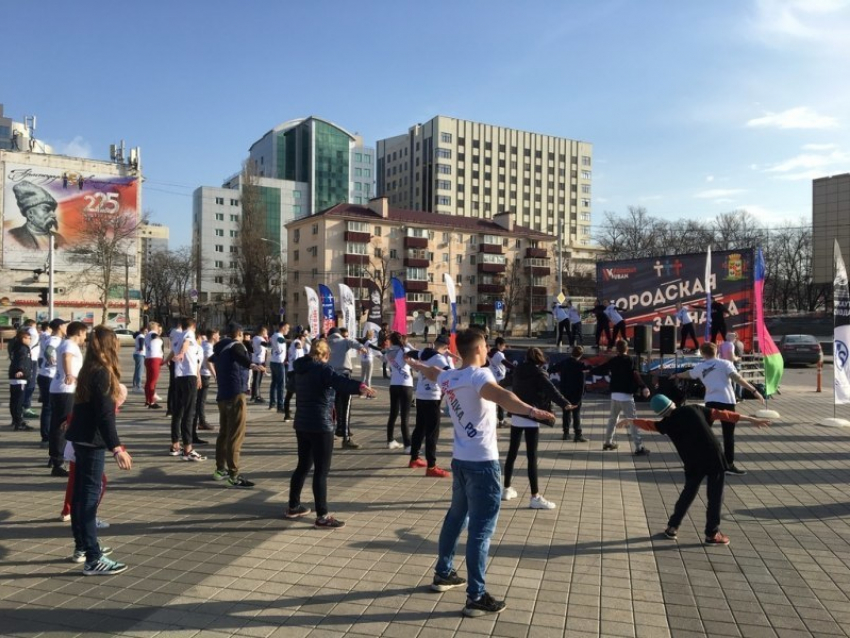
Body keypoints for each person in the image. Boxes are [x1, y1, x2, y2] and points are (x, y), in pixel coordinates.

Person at [411, 328, 554, 618]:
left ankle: (444, 572)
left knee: (456, 517)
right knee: (480, 531)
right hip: (483, 465)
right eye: (486, 345)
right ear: (480, 348)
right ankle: (476, 596)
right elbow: (502, 396)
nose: (488, 348)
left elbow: (431, 373)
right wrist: (533, 411)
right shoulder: (479, 376)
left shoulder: (450, 375)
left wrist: (416, 365)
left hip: (460, 461)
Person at [618, 394, 769, 545]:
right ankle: (712, 534)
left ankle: (672, 527)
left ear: (660, 412)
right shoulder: (695, 409)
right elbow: (724, 414)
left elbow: (649, 424)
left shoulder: (666, 423)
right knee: (715, 496)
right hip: (713, 457)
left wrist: (631, 421)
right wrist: (751, 419)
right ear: (672, 403)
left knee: (688, 492)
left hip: (692, 462)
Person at [284, 339, 375, 527]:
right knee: (321, 472)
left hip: (302, 424)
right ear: (326, 355)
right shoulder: (323, 370)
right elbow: (340, 382)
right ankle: (322, 516)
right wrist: (361, 387)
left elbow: (291, 387)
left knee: (302, 466)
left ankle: (293, 506)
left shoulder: (299, 369)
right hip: (321, 425)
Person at [64, 326, 133, 575]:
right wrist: (117, 448)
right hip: (91, 442)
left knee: (80, 497)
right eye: (115, 342)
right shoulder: (102, 372)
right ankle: (93, 558)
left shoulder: (88, 368)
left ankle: (84, 546)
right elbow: (105, 417)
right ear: (108, 345)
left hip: (80, 439)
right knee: (88, 500)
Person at [671, 342, 764, 475]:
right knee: (728, 435)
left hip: (711, 402)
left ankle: (696, 461)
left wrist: (675, 375)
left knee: (704, 432)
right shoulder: (725, 364)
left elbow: (688, 374)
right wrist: (754, 391)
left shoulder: (700, 367)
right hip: (727, 401)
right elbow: (737, 378)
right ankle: (729, 465)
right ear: (716, 352)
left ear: (702, 353)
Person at [503, 348, 573, 509]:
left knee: (512, 453)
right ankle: (535, 496)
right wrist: (565, 404)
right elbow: (552, 390)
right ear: (540, 359)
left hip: (516, 414)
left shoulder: (518, 370)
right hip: (532, 416)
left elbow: (504, 382)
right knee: (531, 458)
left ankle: (506, 489)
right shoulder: (539, 374)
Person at [210, 323, 266, 488]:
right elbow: (242, 358)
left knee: (224, 433)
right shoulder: (236, 346)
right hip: (235, 394)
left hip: (222, 394)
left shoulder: (220, 348)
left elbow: (209, 360)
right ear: (240, 334)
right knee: (236, 434)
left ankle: (220, 469)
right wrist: (253, 365)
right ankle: (234, 474)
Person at [592, 339, 651, 454]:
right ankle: (639, 447)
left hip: (614, 395)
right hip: (626, 396)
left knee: (612, 419)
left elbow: (601, 368)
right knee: (633, 421)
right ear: (627, 349)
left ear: (616, 349)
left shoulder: (613, 360)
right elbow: (635, 375)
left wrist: (589, 370)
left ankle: (608, 442)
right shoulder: (630, 360)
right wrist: (644, 387)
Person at [409, 334, 456, 477]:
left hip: (421, 394)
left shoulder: (424, 352)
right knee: (432, 432)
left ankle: (414, 458)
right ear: (447, 347)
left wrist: (413, 363)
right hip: (432, 397)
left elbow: (410, 353)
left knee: (420, 428)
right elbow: (451, 374)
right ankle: (431, 466)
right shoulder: (440, 359)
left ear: (434, 343)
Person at [48, 321, 87, 477]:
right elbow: (66, 357)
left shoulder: (66, 343)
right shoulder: (69, 345)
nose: (85, 337)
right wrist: (69, 374)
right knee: (62, 424)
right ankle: (58, 462)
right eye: (85, 334)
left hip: (60, 388)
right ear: (79, 333)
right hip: (65, 389)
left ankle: (55, 458)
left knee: (59, 423)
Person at [169, 317, 204, 460]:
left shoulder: (177, 336)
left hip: (179, 376)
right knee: (189, 412)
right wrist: (182, 353)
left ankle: (175, 444)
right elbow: (186, 343)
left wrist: (166, 360)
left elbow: (173, 352)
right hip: (188, 376)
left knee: (178, 411)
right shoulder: (188, 335)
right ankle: (188, 449)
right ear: (193, 326)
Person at [328, 327, 366, 450]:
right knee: (345, 407)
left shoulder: (325, 343)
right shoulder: (344, 341)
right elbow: (354, 343)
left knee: (331, 407)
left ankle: (329, 435)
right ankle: (346, 438)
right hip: (344, 376)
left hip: (329, 377)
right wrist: (361, 348)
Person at [8, 181, 68, 250]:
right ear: (30, 214)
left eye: (53, 210)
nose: (53, 215)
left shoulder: (59, 238)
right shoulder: (13, 237)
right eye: (46, 209)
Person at [550, 345, 590, 442]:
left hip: (565, 392)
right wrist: (580, 396)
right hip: (576, 393)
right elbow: (581, 383)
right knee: (576, 414)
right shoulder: (580, 365)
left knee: (566, 413)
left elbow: (551, 369)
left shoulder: (565, 362)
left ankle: (566, 433)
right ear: (581, 355)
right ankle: (578, 434)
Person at [37, 319, 66, 446]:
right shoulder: (54, 340)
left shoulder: (51, 338)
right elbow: (48, 351)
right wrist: (52, 360)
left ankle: (46, 435)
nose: (66, 327)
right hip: (49, 375)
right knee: (49, 408)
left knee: (48, 407)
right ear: (59, 327)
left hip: (45, 374)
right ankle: (46, 436)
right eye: (64, 325)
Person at [386, 332, 414, 451]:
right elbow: (416, 354)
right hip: (406, 385)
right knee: (405, 416)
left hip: (394, 385)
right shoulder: (405, 350)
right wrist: (408, 344)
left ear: (391, 341)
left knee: (393, 413)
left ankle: (390, 440)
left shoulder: (389, 351)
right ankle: (408, 445)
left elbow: (382, 358)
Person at [193, 328, 218, 434]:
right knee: (201, 400)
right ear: (213, 336)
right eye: (217, 335)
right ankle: (201, 421)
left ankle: (200, 421)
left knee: (199, 400)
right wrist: (215, 374)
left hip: (201, 374)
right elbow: (208, 361)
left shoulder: (204, 344)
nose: (219, 337)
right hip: (204, 375)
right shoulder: (208, 346)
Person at [8, 328, 33, 432]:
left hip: (14, 376)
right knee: (18, 400)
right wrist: (20, 370)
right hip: (20, 377)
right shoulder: (23, 348)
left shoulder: (15, 346)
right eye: (29, 338)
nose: (30, 340)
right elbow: (21, 359)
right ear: (23, 338)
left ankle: (15, 420)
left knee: (14, 400)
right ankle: (19, 422)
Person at [487, 337, 515, 428]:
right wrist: (517, 368)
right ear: (498, 345)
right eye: (503, 345)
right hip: (501, 380)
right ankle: (502, 420)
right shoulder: (499, 354)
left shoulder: (489, 353)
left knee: (496, 400)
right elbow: (506, 363)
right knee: (501, 400)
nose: (504, 347)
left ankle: (499, 420)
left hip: (492, 379)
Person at [283, 327, 309, 422]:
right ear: (300, 337)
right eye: (304, 338)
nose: (305, 340)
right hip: (295, 372)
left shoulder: (295, 343)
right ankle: (291, 415)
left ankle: (288, 414)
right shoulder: (297, 342)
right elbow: (297, 345)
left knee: (291, 394)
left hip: (293, 370)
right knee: (296, 394)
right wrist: (299, 344)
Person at [268, 322, 289, 413]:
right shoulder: (279, 336)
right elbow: (280, 347)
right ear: (283, 327)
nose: (288, 330)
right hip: (279, 362)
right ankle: (280, 406)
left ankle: (272, 402)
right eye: (287, 328)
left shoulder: (274, 335)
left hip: (274, 361)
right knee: (281, 385)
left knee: (274, 383)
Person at [143, 322, 164, 409]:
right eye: (157, 327)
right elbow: (154, 336)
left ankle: (148, 400)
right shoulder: (153, 334)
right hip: (154, 359)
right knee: (152, 381)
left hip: (148, 358)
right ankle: (151, 402)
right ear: (154, 327)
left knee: (149, 381)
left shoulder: (147, 335)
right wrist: (159, 336)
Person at [23, 319, 40, 418]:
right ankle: (26, 407)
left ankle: (25, 406)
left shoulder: (23, 332)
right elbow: (32, 336)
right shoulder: (31, 330)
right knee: (30, 384)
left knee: (28, 384)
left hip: (30, 360)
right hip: (31, 360)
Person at [250, 327, 269, 403]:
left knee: (256, 379)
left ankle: (254, 395)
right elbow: (265, 344)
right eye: (266, 332)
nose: (266, 333)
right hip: (258, 361)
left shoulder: (255, 338)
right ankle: (257, 396)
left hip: (257, 359)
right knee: (257, 379)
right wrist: (267, 338)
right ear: (263, 332)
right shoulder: (259, 339)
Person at [132, 327, 147, 392]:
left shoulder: (138, 336)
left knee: (137, 370)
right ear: (142, 331)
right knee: (140, 371)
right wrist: (141, 348)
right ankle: (138, 386)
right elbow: (141, 346)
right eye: (145, 331)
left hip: (137, 354)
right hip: (140, 354)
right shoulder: (141, 336)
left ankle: (135, 385)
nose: (146, 333)